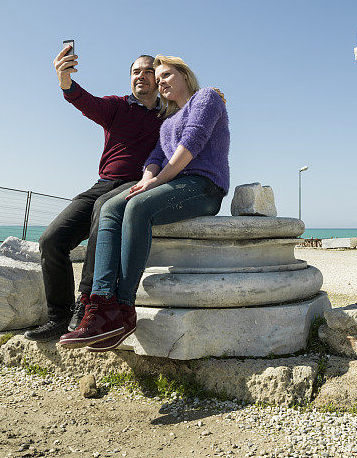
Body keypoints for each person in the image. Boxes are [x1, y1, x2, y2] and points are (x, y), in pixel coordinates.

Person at [59, 55, 229, 350]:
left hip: (204, 186)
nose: (160, 82)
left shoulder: (207, 97)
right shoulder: (167, 122)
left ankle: (123, 308)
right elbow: (154, 158)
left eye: (166, 75)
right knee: (112, 206)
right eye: (158, 77)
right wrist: (145, 179)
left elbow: (192, 142)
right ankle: (100, 306)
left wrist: (157, 181)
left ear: (185, 76)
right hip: (173, 183)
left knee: (137, 207)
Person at [25, 46, 163, 342]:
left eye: (148, 70)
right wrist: (65, 80)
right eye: (136, 71)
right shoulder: (116, 106)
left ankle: (86, 303)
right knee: (51, 240)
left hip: (140, 184)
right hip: (105, 182)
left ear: (158, 77)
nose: (141, 75)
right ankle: (59, 317)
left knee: (104, 208)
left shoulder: (169, 115)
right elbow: (84, 101)